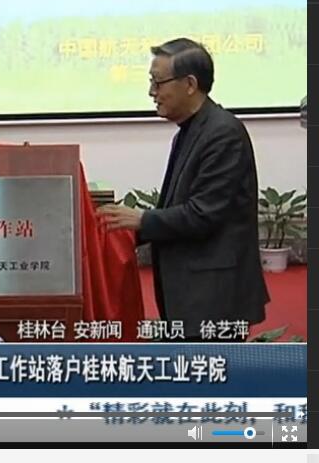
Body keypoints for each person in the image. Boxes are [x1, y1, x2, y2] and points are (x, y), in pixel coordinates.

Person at [100, 37, 269, 340]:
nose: (152, 92)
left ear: (190, 84)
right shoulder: (191, 131)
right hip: (192, 294)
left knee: (208, 370)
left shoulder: (223, 134)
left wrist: (142, 220)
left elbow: (204, 214)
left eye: (158, 82)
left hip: (214, 298)